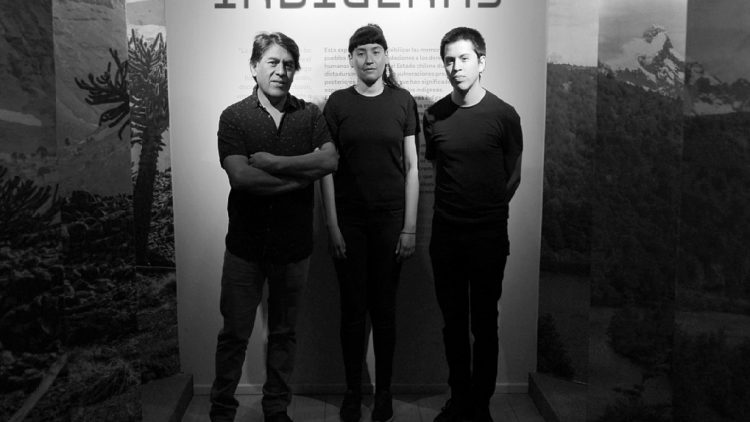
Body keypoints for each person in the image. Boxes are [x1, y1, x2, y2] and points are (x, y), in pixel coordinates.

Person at [210, 31, 338, 422]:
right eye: (273, 62)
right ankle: (221, 409)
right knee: (234, 334)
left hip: (294, 248)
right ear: (254, 67)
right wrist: (301, 177)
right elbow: (242, 178)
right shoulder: (234, 117)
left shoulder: (310, 115)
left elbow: (330, 161)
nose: (281, 71)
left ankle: (276, 408)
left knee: (284, 334)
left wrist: (274, 163)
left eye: (288, 64)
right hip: (245, 248)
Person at [321, 24, 420, 422]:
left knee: (385, 310)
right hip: (349, 222)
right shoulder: (337, 104)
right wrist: (332, 225)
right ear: (350, 59)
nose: (368, 59)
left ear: (386, 56)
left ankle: (384, 393)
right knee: (351, 310)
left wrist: (409, 226)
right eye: (361, 52)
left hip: (390, 221)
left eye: (375, 51)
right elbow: (328, 167)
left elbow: (412, 167)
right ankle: (352, 391)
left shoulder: (403, 101)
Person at [423, 27, 523, 422]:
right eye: (449, 60)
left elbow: (513, 174)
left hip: (488, 236)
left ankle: (480, 406)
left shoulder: (504, 115)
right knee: (453, 323)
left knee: (484, 322)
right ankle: (460, 399)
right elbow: (439, 170)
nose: (456, 67)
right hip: (446, 235)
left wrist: (488, 210)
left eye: (464, 58)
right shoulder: (434, 116)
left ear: (481, 62)